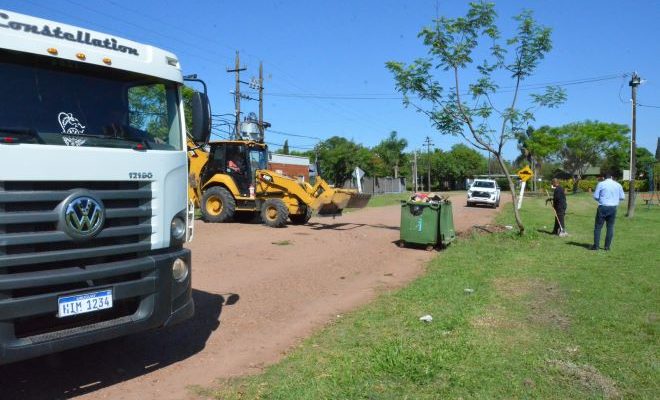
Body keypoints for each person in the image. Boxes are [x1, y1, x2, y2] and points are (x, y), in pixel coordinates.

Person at [591, 173, 625, 250]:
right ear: (612, 177)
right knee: (610, 227)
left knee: (598, 227)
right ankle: (607, 247)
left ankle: (596, 246)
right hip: (613, 208)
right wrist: (614, 199)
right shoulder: (618, 185)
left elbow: (596, 196)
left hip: (603, 206)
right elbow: (622, 197)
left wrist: (601, 200)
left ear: (603, 177)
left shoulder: (601, 184)